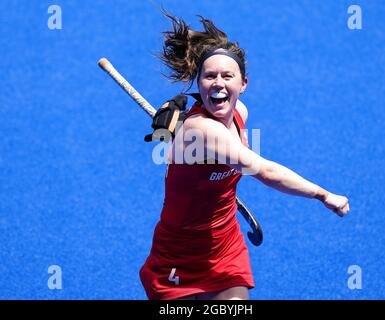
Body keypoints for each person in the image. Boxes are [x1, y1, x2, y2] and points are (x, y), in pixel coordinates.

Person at [139, 12, 350, 300]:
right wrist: (322, 194)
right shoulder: (201, 129)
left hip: (224, 242)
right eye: (209, 76)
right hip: (180, 250)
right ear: (198, 83)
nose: (218, 83)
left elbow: (222, 159)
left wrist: (181, 116)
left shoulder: (240, 114)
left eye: (228, 76)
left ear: (244, 84)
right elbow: (264, 171)